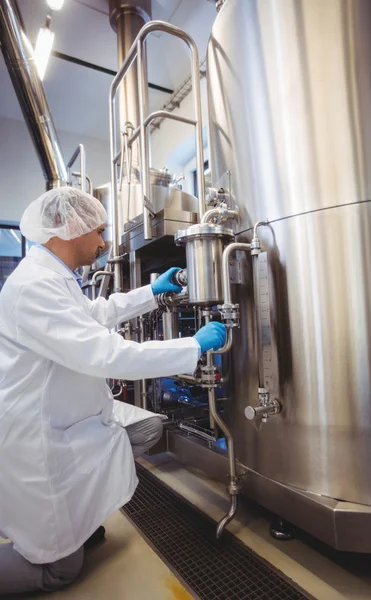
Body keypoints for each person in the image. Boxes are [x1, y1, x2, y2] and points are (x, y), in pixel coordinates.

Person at [0, 187, 226, 595]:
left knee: (139, 431)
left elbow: (93, 315)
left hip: (64, 418)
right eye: (99, 231)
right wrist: (191, 346)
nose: (104, 243)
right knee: (60, 571)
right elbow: (105, 354)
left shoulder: (52, 277)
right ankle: (59, 547)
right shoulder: (35, 285)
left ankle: (77, 528)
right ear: (70, 228)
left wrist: (151, 293)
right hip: (37, 433)